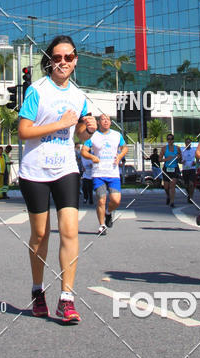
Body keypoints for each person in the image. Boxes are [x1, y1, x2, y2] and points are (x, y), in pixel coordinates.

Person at [18, 35, 97, 323]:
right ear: (49, 61)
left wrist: (88, 127)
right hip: (35, 170)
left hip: (66, 168)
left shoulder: (79, 95)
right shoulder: (36, 91)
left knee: (70, 231)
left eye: (68, 57)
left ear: (76, 61)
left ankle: (67, 298)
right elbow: (24, 131)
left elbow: (80, 136)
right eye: (57, 57)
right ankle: (38, 290)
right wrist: (61, 123)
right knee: (40, 235)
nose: (63, 62)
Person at [81, 113, 128, 235]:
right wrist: (92, 157)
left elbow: (124, 148)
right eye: (103, 119)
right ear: (98, 122)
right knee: (101, 200)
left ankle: (108, 213)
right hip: (98, 173)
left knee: (116, 201)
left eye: (108, 119)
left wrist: (119, 156)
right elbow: (83, 151)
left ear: (110, 122)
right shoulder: (92, 136)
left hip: (113, 173)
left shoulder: (117, 135)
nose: (106, 121)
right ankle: (102, 225)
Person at [159, 134, 182, 207]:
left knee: (172, 185)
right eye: (168, 139)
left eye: (171, 139)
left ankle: (172, 202)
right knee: (166, 187)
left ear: (173, 140)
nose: (170, 140)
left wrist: (179, 158)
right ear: (167, 140)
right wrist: (166, 159)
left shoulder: (177, 148)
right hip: (166, 168)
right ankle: (168, 196)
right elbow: (159, 159)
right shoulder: (164, 148)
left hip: (174, 168)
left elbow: (180, 160)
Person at [180, 137, 196, 203]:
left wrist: (195, 163)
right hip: (185, 169)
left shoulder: (194, 150)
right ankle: (189, 195)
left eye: (189, 142)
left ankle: (191, 197)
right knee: (186, 184)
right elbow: (178, 159)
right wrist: (181, 161)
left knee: (191, 184)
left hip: (192, 168)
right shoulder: (182, 150)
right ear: (185, 143)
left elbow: (198, 158)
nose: (188, 144)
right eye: (187, 142)